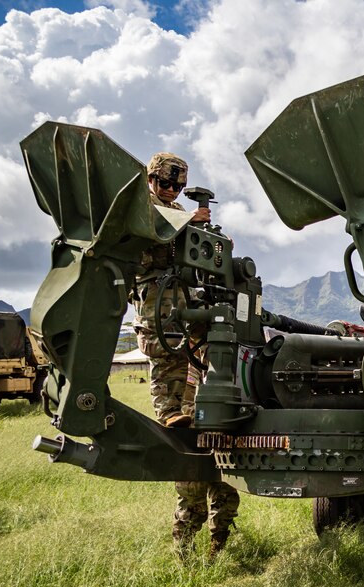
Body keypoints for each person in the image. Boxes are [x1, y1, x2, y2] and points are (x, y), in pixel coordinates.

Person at [134, 152, 238, 561]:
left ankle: (215, 542)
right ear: (151, 179)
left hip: (186, 311)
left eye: (177, 186)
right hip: (159, 312)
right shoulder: (144, 210)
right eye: (165, 184)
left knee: (209, 352)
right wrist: (184, 224)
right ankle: (172, 412)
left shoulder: (176, 211)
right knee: (169, 370)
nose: (171, 191)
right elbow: (152, 235)